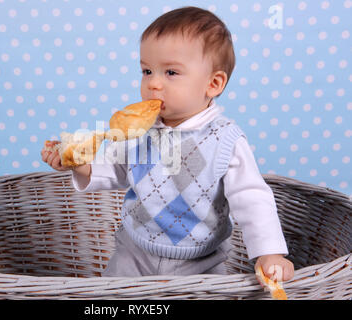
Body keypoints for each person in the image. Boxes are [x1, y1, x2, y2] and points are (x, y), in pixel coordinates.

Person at [41, 6, 294, 284]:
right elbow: (115, 168)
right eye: (147, 71)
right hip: (134, 249)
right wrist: (79, 164)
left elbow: (252, 198)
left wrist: (269, 253)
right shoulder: (139, 130)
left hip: (201, 259)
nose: (153, 84)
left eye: (171, 72)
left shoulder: (225, 140)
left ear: (213, 83)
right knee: (112, 294)